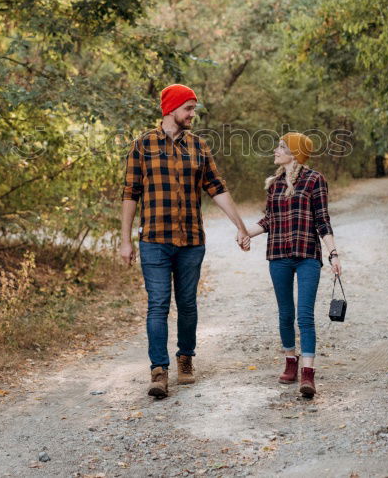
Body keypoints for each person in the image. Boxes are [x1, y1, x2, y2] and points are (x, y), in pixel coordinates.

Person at [120, 84, 251, 398]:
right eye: (189, 108)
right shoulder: (142, 145)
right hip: (153, 240)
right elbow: (129, 195)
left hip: (191, 240)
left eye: (194, 108)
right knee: (158, 305)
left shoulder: (199, 147)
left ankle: (185, 358)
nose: (194, 114)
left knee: (188, 305)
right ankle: (158, 370)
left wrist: (241, 227)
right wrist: (125, 240)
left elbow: (217, 189)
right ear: (171, 109)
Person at [243, 132, 341, 397]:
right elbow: (268, 220)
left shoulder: (315, 180)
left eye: (282, 146)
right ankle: (290, 362)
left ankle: (308, 373)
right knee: (285, 314)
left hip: (307, 255)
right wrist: (244, 232)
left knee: (304, 315)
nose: (276, 150)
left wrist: (333, 254)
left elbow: (323, 219)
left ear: (295, 153)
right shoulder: (274, 184)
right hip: (278, 256)